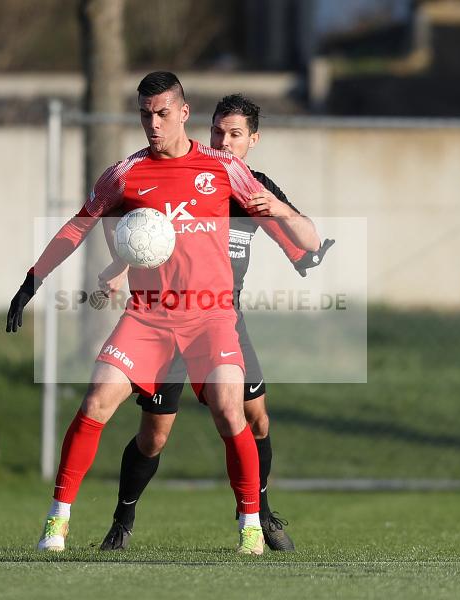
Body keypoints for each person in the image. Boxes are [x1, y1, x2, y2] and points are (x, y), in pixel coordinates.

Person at [6, 72, 320, 555]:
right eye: (144, 114)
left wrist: (280, 209)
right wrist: (33, 279)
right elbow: (80, 224)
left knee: (230, 410)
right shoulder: (123, 174)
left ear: (183, 112)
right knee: (96, 403)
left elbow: (306, 240)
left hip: (211, 317)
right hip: (148, 317)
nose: (152, 124)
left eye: (162, 113)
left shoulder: (223, 168)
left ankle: (252, 523)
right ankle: (57, 522)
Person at [97, 94, 334, 553]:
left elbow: (304, 238)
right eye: (217, 132)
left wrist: (283, 218)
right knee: (154, 434)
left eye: (235, 134)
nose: (223, 143)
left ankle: (257, 513)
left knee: (256, 418)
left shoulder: (251, 188)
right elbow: (136, 230)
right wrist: (122, 265)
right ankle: (122, 519)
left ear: (254, 140)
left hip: (225, 317)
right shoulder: (183, 175)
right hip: (166, 318)